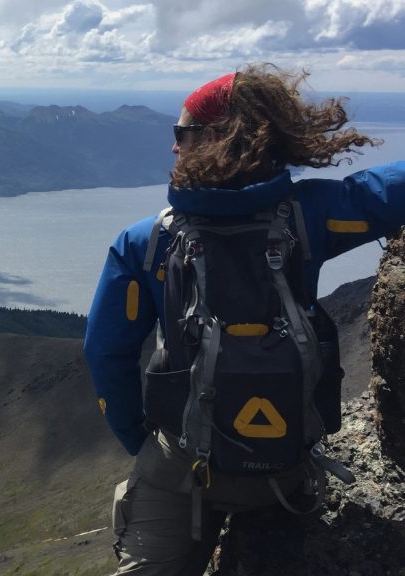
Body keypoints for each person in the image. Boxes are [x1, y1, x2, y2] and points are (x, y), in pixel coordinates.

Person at [83, 63, 405, 575]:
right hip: (285, 472)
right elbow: (384, 192)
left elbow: (106, 354)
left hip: (179, 472)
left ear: (214, 138)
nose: (173, 147)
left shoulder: (145, 244)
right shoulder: (309, 218)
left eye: (180, 133)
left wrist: (141, 441)